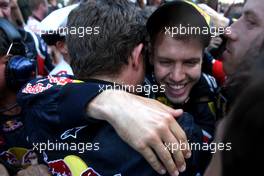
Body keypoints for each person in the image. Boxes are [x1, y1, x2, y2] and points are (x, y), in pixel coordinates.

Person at [17, 1, 191, 175]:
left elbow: (30, 91)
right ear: (137, 56)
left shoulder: (39, 107)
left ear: (69, 50)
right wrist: (108, 99)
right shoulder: (177, 128)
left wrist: (103, 98)